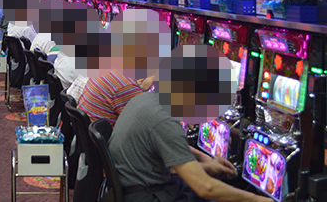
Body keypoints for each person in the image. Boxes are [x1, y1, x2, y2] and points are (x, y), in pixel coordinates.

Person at [108, 49, 272, 202]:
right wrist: (258, 200)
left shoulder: (146, 99)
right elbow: (205, 188)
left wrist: (206, 167)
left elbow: (164, 163)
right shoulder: (165, 121)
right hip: (145, 195)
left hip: (131, 188)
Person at [77, 69, 154, 126]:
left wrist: (138, 89)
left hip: (88, 133)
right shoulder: (125, 86)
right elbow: (148, 121)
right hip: (109, 138)